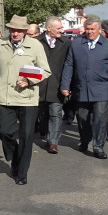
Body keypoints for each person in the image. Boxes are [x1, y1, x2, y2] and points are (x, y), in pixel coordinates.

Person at [0, 15, 49, 185]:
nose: (15, 33)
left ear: (25, 32)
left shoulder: (35, 46)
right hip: (6, 97)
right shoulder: (0, 44)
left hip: (27, 98)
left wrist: (29, 80)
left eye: (19, 30)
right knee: (4, 132)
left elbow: (45, 70)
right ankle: (15, 156)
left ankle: (21, 173)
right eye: (12, 30)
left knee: (26, 136)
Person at [60, 17, 108, 159]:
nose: (89, 32)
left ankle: (98, 146)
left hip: (102, 88)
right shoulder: (76, 44)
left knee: (100, 119)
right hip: (81, 88)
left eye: (92, 29)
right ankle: (84, 140)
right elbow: (69, 65)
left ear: (99, 30)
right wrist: (65, 85)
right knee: (82, 119)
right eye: (87, 29)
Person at [36, 16, 70, 154]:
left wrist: (67, 84)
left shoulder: (66, 43)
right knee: (43, 114)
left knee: (56, 114)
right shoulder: (36, 42)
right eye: (59, 28)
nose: (61, 30)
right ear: (48, 28)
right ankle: (44, 132)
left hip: (57, 85)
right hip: (39, 85)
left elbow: (69, 64)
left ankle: (53, 142)